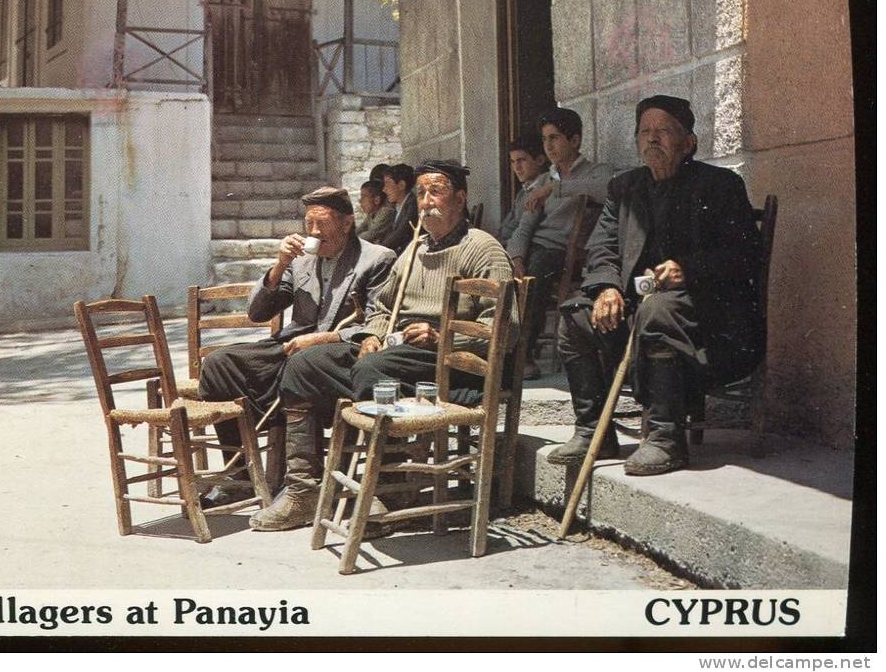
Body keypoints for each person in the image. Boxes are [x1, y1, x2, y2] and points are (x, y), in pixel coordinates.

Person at [248, 160, 518, 531]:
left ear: (460, 198)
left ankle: (390, 490)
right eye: (420, 193)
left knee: (373, 370)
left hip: (451, 364)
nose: (425, 202)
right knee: (305, 365)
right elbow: (383, 308)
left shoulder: (482, 248)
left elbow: (506, 328)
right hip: (398, 352)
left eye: (435, 192)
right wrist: (372, 335)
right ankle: (303, 490)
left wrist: (443, 337)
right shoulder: (414, 250)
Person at [548, 95, 765, 476]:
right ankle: (594, 431)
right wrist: (607, 289)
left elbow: (745, 253)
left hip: (712, 327)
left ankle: (666, 439)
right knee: (574, 317)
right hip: (640, 320)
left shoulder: (721, 185)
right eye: (645, 131)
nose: (653, 139)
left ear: (689, 142)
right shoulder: (625, 188)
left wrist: (689, 269)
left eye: (664, 131)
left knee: (657, 310)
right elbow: (601, 247)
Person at [196, 186, 396, 506]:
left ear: (346, 223)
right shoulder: (301, 259)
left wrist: (324, 338)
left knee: (304, 364)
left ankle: (303, 481)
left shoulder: (377, 259)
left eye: (323, 224)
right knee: (220, 364)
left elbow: (377, 324)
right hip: (294, 345)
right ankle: (241, 475)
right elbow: (258, 313)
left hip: (337, 352)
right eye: (308, 224)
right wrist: (279, 265)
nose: (314, 232)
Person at [506, 109, 615, 379]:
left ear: (575, 140)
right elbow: (524, 228)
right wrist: (515, 258)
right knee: (503, 267)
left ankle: (524, 356)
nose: (549, 146)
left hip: (568, 253)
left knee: (537, 267)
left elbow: (607, 187)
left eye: (555, 138)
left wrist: (556, 189)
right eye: (545, 140)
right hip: (537, 250)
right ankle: (502, 353)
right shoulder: (543, 180)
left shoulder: (596, 171)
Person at [378, 163, 418, 255]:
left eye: (388, 184)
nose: (384, 189)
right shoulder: (397, 206)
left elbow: (400, 234)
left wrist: (378, 251)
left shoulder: (412, 205)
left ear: (401, 185)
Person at [354, 179, 395, 244]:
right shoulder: (371, 213)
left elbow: (371, 234)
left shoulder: (386, 212)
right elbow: (361, 228)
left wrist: (351, 241)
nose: (360, 201)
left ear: (376, 200)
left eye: (363, 197)